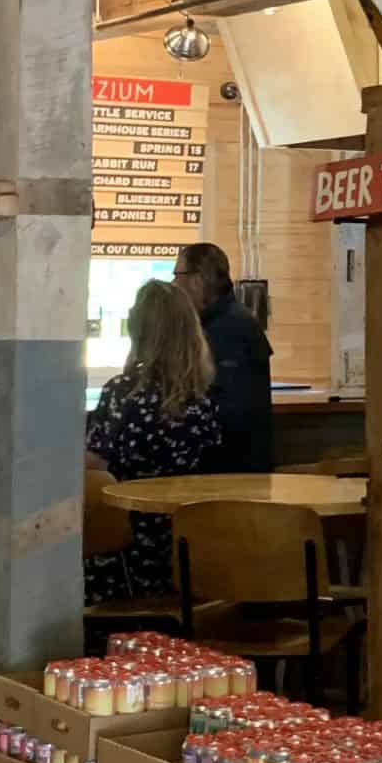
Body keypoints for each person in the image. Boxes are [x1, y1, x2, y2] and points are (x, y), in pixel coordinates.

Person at [86, 279, 221, 601]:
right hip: (190, 541)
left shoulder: (122, 392)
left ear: (138, 331)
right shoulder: (202, 400)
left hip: (124, 544)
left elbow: (94, 465)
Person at [174, 241, 274, 472]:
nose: (173, 284)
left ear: (197, 281)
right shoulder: (232, 322)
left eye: (177, 275)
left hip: (231, 477)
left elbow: (229, 413)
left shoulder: (229, 331)